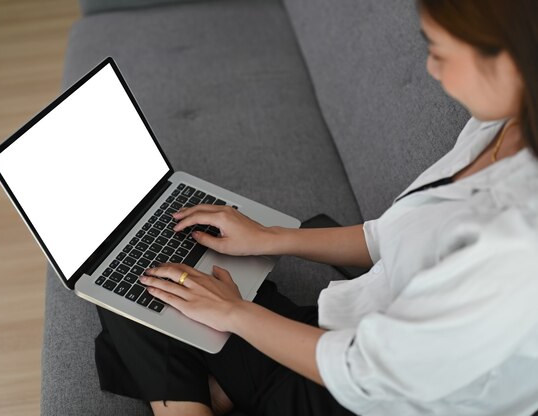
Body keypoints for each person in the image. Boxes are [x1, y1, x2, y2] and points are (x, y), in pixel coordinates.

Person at [95, 1, 538, 414]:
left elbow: (366, 374)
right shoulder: (501, 124)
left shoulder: (518, 247)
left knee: (128, 293)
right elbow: (389, 237)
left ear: (511, 58)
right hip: (348, 324)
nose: (430, 66)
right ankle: (218, 385)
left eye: (439, 50)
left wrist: (235, 313)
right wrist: (269, 237)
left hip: (349, 392)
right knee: (153, 270)